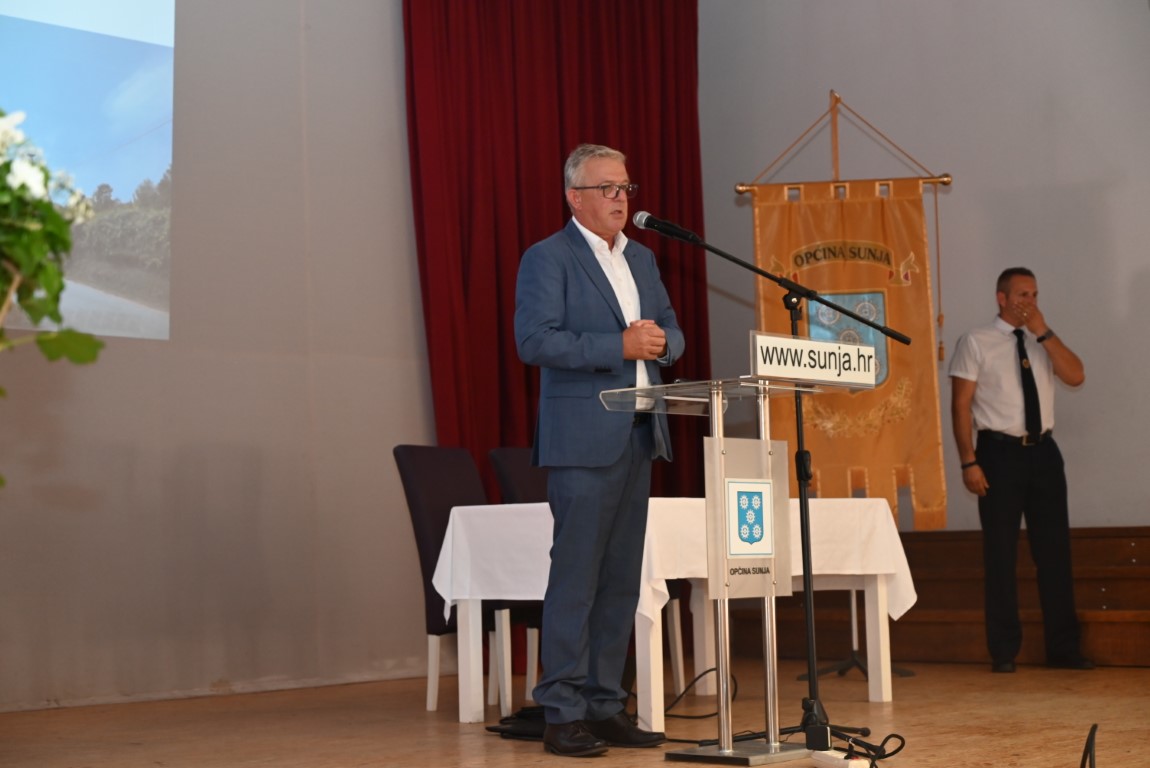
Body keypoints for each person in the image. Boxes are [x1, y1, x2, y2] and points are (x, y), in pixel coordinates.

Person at [514, 144, 684, 757]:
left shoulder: (642, 258)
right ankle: (561, 711)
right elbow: (535, 341)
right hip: (582, 440)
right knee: (577, 578)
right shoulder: (548, 257)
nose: (620, 198)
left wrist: (662, 343)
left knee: (620, 580)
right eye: (607, 188)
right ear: (575, 196)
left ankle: (605, 704)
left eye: (625, 188)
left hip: (640, 432)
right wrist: (619, 346)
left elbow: (672, 331)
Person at [949, 267, 1092, 674]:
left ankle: (1063, 649)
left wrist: (1043, 332)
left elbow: (1076, 375)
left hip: (1044, 454)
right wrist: (968, 461)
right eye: (1022, 295)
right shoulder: (976, 340)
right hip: (998, 454)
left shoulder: (1042, 340)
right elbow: (960, 405)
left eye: (1034, 294)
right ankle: (1004, 651)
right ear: (1002, 298)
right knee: (1000, 554)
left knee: (1055, 553)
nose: (1030, 302)